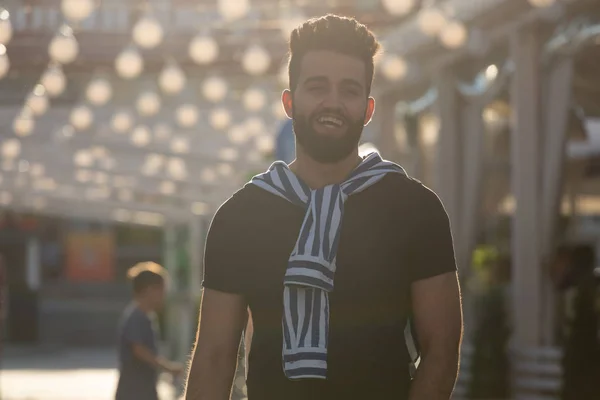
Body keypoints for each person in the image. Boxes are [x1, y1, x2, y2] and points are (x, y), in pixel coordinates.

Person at [185, 14, 463, 400]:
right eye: (317, 87)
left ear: (367, 110)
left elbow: (442, 350)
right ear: (289, 101)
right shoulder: (240, 217)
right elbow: (214, 358)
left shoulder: (416, 210)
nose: (333, 102)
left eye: (349, 90)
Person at [115, 261, 182, 400]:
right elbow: (138, 349)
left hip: (145, 390)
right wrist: (167, 367)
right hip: (133, 392)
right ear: (150, 290)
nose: (164, 295)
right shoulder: (136, 316)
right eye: (162, 290)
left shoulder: (147, 316)